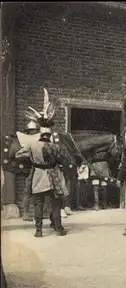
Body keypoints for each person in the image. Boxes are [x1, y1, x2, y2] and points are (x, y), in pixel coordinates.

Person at [15, 90, 70, 237]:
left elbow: (18, 155)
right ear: (50, 135)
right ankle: (58, 229)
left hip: (38, 177)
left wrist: (31, 157)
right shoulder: (56, 147)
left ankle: (38, 231)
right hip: (53, 177)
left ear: (40, 133)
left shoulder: (32, 145)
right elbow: (63, 160)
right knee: (56, 204)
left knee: (38, 204)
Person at [19, 120, 40, 222]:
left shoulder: (39, 140)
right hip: (30, 169)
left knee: (40, 192)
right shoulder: (25, 142)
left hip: (40, 169)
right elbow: (16, 155)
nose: (33, 132)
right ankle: (26, 214)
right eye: (31, 131)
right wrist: (29, 155)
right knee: (27, 192)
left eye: (34, 130)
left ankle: (40, 213)